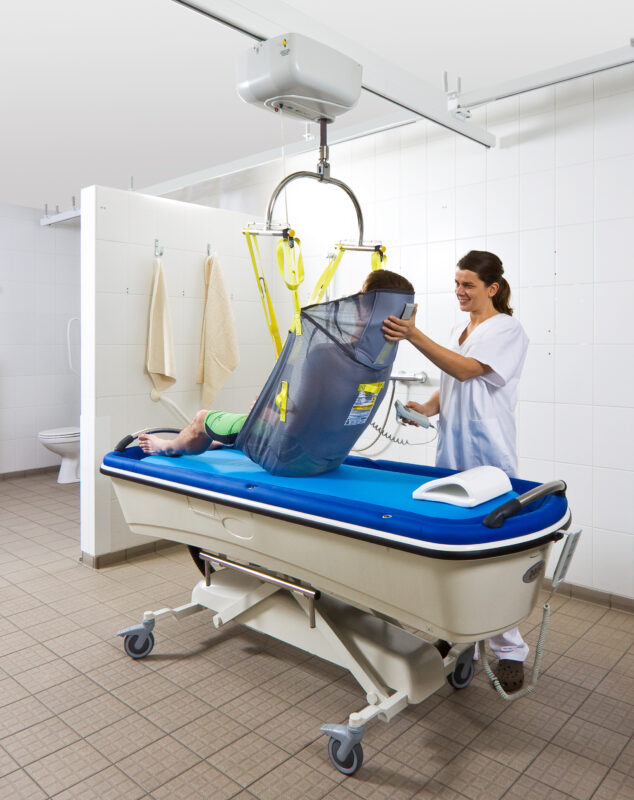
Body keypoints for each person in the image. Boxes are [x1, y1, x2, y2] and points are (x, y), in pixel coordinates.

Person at [382, 250, 529, 693]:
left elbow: (466, 371)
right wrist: (427, 408)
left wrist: (413, 334)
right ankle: (461, 635)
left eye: (468, 285)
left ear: (492, 288)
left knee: (492, 554)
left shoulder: (506, 329)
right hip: (452, 455)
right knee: (455, 551)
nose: (460, 292)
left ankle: (510, 651)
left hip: (489, 457)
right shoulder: (458, 330)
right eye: (457, 283)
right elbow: (451, 381)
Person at [139, 268, 414, 458]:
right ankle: (224, 441)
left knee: (201, 418)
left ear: (363, 305)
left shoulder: (325, 353)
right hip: (328, 456)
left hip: (288, 454)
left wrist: (266, 414)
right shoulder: (381, 360)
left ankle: (167, 447)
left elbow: (298, 423)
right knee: (239, 423)